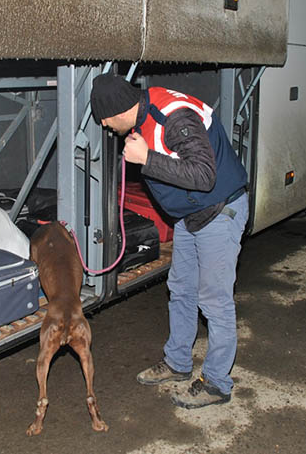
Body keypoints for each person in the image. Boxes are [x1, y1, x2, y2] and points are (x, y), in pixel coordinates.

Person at [90, 73, 249, 409]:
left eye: (103, 118)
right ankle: (178, 362)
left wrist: (147, 159)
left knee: (214, 300)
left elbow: (205, 176)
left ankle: (217, 383)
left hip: (219, 211)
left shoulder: (173, 118)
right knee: (181, 289)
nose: (104, 126)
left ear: (116, 110)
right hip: (191, 215)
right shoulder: (144, 112)